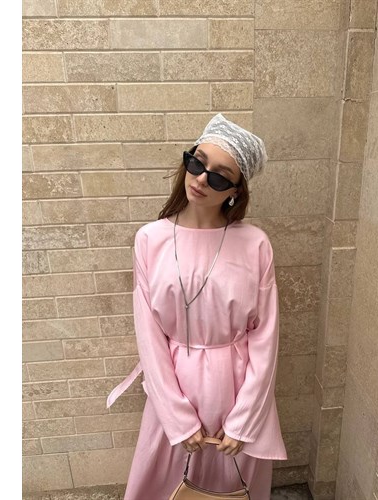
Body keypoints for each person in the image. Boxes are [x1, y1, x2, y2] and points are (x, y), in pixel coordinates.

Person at [107, 113, 287, 499]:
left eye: (220, 177)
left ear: (235, 191)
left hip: (238, 390)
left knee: (232, 485)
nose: (202, 179)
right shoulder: (150, 240)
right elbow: (149, 335)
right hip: (174, 389)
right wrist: (177, 417)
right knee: (164, 483)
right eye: (197, 162)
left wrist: (244, 420)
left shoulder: (255, 244)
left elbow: (266, 337)